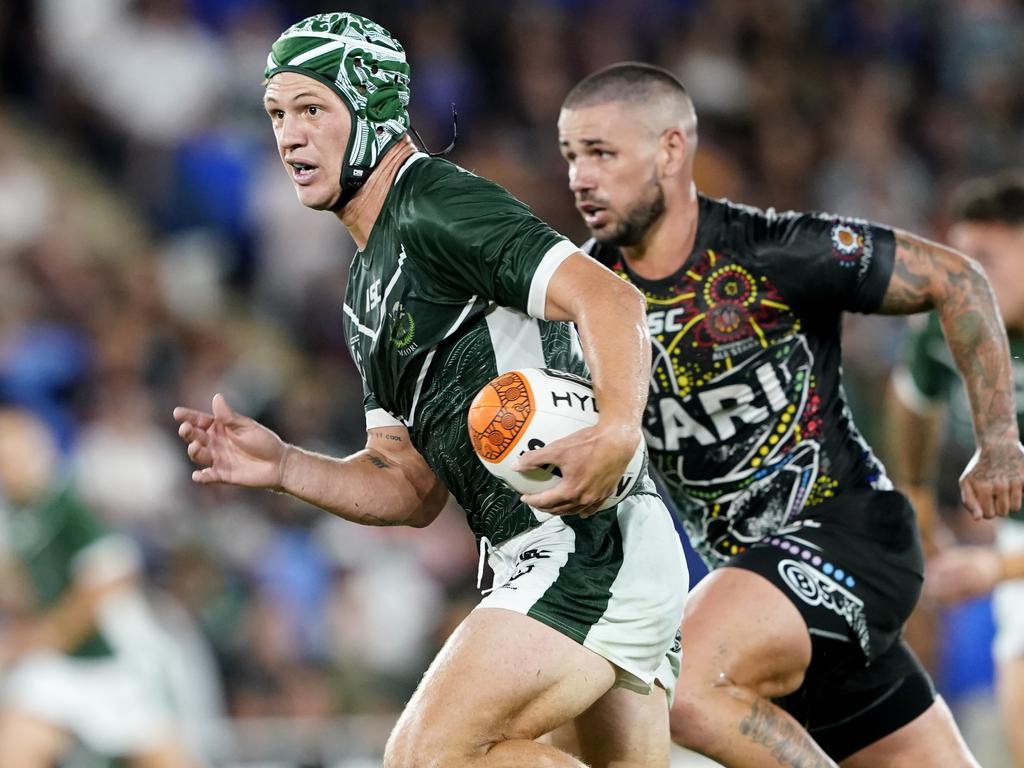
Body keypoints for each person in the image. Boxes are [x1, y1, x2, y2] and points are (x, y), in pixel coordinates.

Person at [173, 13, 687, 768]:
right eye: (277, 114)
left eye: (313, 109)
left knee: (428, 756)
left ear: (373, 108)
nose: (288, 137)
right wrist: (285, 466)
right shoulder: (362, 290)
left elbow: (610, 301)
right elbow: (408, 485)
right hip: (550, 551)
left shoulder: (433, 200)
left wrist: (616, 430)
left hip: (583, 541)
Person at [557, 62, 1024, 767]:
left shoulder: (774, 252)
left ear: (671, 151)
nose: (580, 178)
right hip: (764, 600)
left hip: (850, 536)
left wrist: (997, 443)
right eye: (569, 156)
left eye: (600, 153)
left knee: (683, 691)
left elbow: (957, 278)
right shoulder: (581, 309)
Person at [888, 170, 1024, 766]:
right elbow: (913, 402)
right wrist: (916, 496)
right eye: (960, 259)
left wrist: (994, 567)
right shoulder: (948, 328)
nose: (967, 277)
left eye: (985, 259)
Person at [0, 407, 206, 768]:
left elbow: (112, 579)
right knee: (17, 743)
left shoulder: (70, 502)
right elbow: (24, 591)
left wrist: (44, 636)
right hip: (60, 668)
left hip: (117, 661)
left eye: (12, 453)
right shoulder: (17, 517)